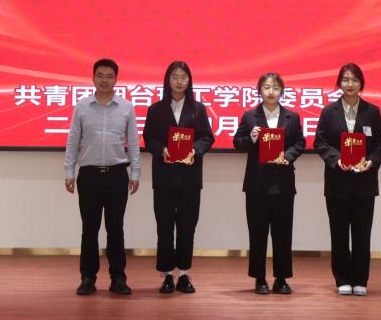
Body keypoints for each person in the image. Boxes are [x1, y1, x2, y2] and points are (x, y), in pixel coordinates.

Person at [64, 58, 141, 296]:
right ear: (93, 78)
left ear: (116, 79)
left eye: (109, 76)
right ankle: (88, 277)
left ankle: (118, 278)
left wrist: (135, 173)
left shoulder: (126, 107)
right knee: (89, 229)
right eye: (100, 75)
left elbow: (134, 143)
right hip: (89, 176)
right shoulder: (82, 107)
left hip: (117, 175)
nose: (104, 80)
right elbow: (73, 141)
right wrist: (69, 171)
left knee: (116, 229)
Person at [313, 62, 381, 297]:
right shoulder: (328, 111)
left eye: (354, 80)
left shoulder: (372, 111)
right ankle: (343, 279)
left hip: (365, 183)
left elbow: (380, 144)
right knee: (339, 233)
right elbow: (320, 142)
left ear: (361, 84)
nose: (350, 84)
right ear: (339, 83)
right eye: (345, 79)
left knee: (362, 234)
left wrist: (371, 162)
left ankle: (360, 280)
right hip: (337, 182)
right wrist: (336, 159)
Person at [142, 61, 215, 294]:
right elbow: (148, 138)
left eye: (184, 77)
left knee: (187, 226)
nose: (179, 81)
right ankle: (166, 275)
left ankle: (183, 273)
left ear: (189, 80)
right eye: (175, 76)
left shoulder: (198, 109)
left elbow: (207, 138)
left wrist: (195, 150)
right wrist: (161, 149)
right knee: (164, 227)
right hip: (164, 178)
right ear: (167, 80)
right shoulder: (155, 109)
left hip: (189, 178)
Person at [233, 72, 306, 295]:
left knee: (283, 233)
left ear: (281, 91)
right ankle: (259, 278)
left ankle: (281, 279)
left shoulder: (292, 117)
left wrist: (288, 156)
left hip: (283, 184)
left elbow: (300, 142)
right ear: (259, 91)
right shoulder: (250, 116)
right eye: (266, 87)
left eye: (275, 87)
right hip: (257, 184)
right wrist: (252, 138)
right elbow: (238, 143)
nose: (271, 92)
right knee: (257, 233)